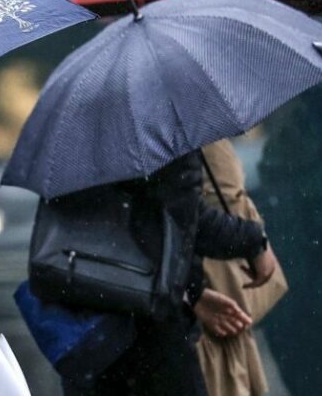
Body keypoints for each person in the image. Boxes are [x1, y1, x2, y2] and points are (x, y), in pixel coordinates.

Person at [61, 149, 279, 396]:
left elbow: (126, 228)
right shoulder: (160, 134)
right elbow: (185, 220)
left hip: (89, 328)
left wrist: (192, 292)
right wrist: (254, 241)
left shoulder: (75, 143)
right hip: (151, 337)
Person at [192, 139, 288, 396]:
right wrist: (255, 243)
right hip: (212, 299)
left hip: (190, 298)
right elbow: (225, 194)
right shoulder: (191, 125)